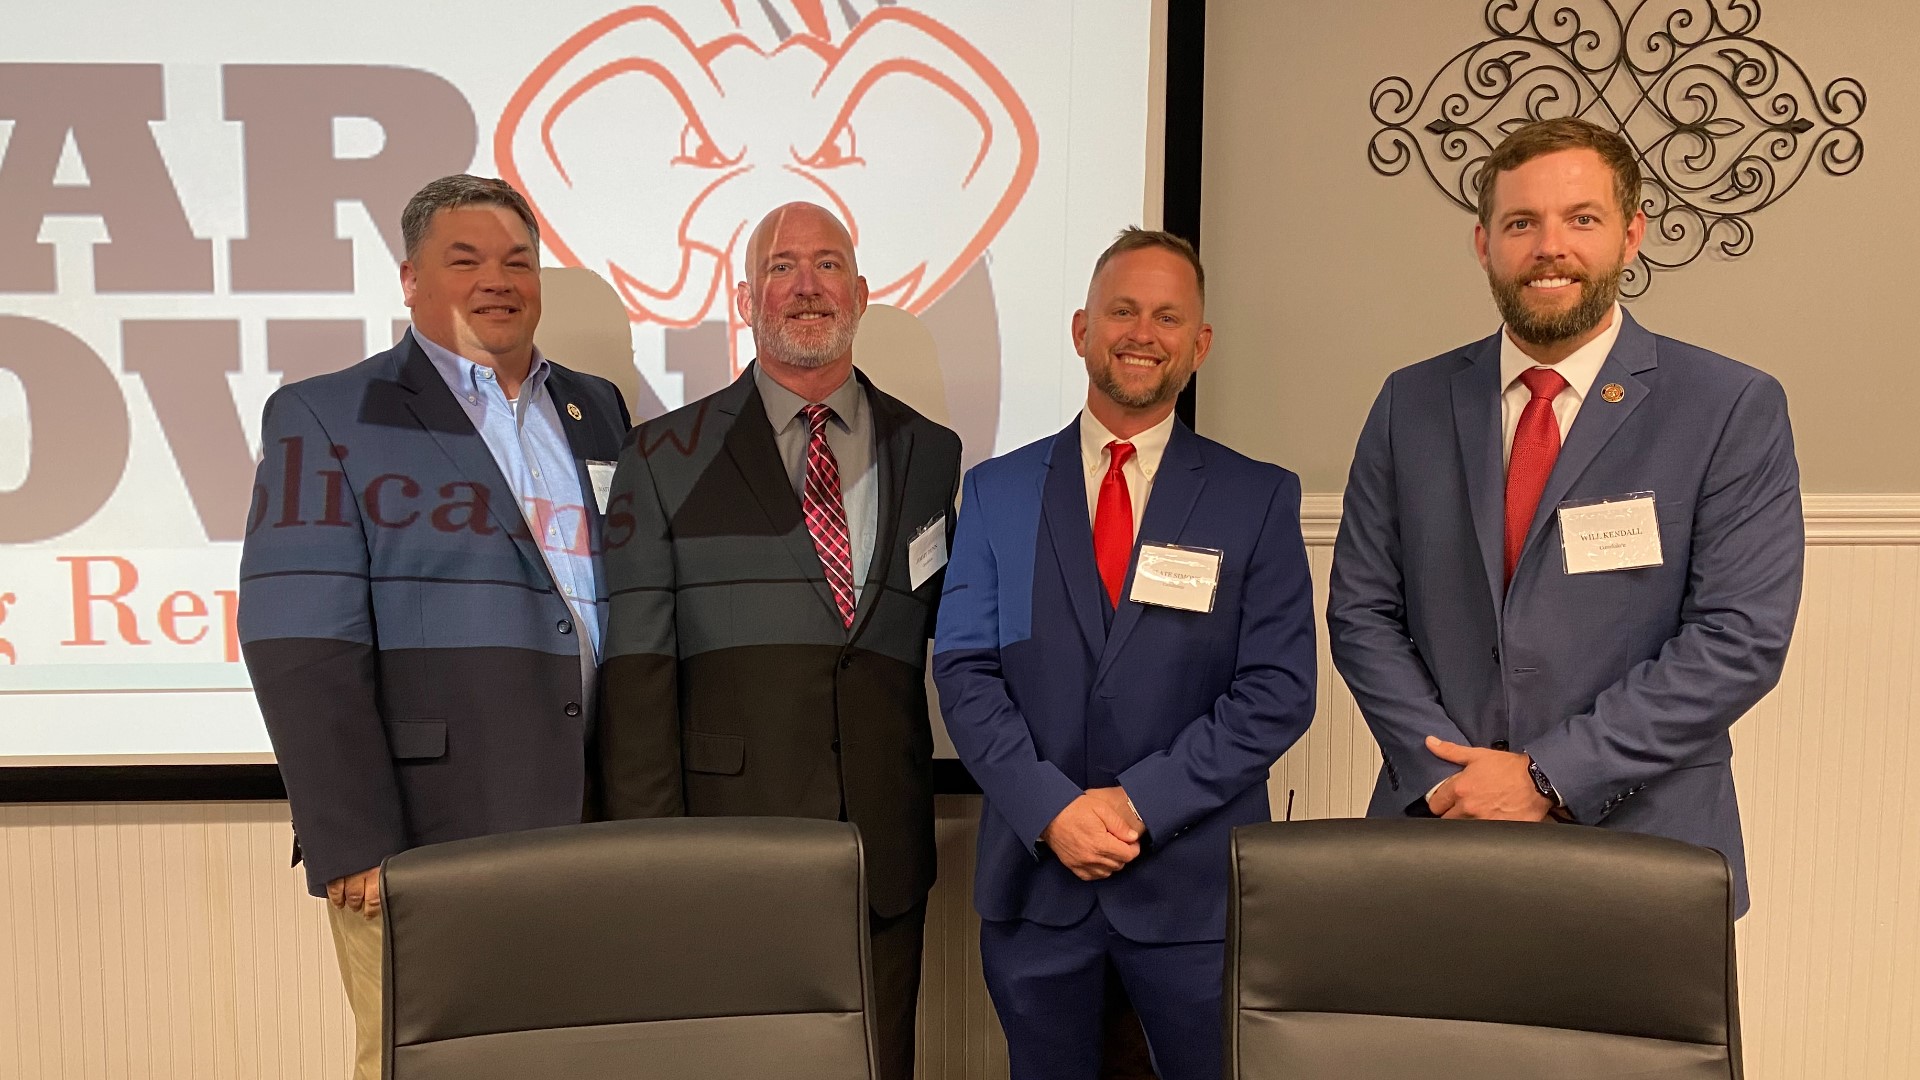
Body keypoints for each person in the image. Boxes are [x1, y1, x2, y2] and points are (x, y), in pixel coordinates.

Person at [1327, 117, 1803, 916]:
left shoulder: (1728, 407)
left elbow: (1739, 637)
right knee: (1440, 1046)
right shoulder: (1410, 402)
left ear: (1631, 236)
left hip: (1647, 852)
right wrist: (1450, 776)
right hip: (1440, 836)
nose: (1551, 246)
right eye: (1522, 223)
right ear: (1484, 245)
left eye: (1582, 219)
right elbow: (1362, 613)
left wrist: (1549, 776)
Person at [238, 174, 631, 1080]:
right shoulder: (327, 414)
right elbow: (298, 641)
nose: (498, 279)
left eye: (518, 261)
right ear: (411, 279)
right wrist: (355, 838)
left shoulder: (597, 407)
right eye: (466, 260)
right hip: (422, 835)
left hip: (589, 821)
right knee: (428, 1066)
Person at [932, 228, 1316, 1080]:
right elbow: (965, 671)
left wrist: (1139, 804)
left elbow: (1279, 691)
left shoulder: (1257, 498)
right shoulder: (999, 492)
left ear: (1199, 344)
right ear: (1081, 329)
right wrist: (1053, 810)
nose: (1143, 332)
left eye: (1168, 316)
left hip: (1193, 894)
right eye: (1123, 310)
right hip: (1038, 887)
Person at [596, 201, 962, 1080]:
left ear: (862, 292)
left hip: (886, 853)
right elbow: (637, 678)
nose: (806, 286)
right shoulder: (658, 456)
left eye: (829, 263)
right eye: (782, 266)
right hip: (728, 852)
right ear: (745, 296)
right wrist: (655, 859)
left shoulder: (934, 453)